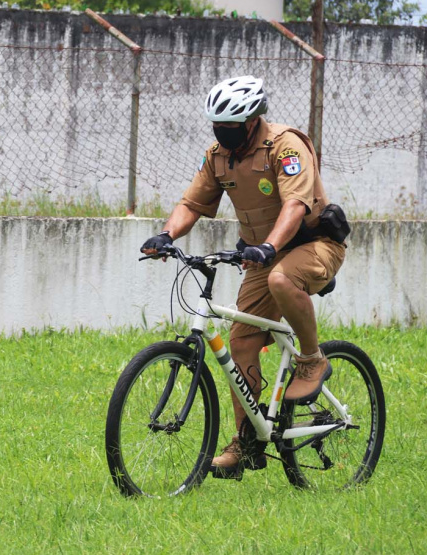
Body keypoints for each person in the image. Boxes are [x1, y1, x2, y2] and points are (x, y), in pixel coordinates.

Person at [140, 75, 346, 479]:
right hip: (260, 252)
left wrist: (269, 248)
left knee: (281, 280)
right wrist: (165, 235)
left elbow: (295, 206)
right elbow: (192, 202)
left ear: (253, 121)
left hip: (314, 244)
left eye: (230, 126)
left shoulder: (285, 146)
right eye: (217, 125)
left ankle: (311, 360)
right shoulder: (218, 155)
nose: (222, 133)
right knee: (241, 343)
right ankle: (246, 442)